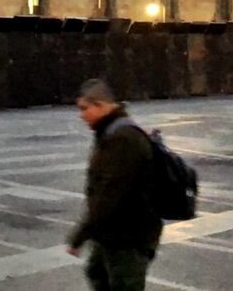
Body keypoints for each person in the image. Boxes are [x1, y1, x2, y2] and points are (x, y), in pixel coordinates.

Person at [67, 78, 162, 291]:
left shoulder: (122, 139)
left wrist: (80, 236)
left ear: (101, 105)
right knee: (96, 272)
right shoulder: (110, 132)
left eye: (84, 108)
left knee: (122, 284)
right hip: (112, 232)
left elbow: (109, 194)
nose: (81, 115)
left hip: (129, 236)